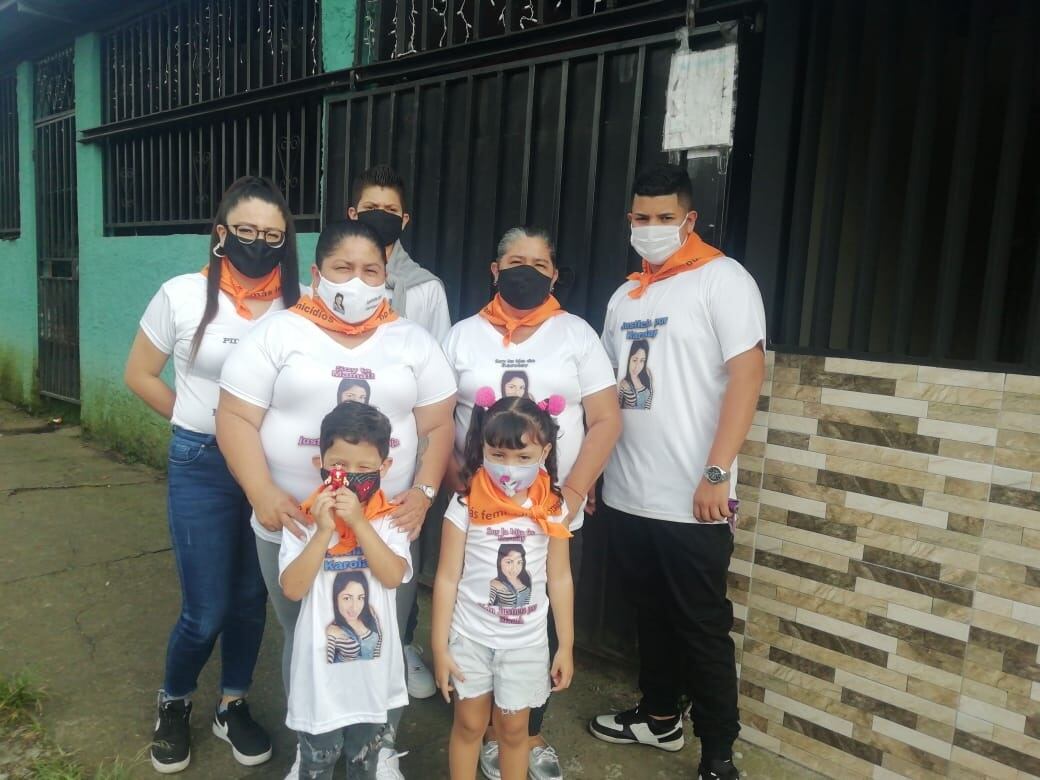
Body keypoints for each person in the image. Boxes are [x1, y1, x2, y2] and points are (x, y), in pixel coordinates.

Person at [216, 219, 457, 779]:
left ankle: (378, 749)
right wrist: (261, 491)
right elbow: (234, 416)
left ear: (386, 276)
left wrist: (423, 492)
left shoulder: (411, 340)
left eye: (370, 269)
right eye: (343, 268)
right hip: (295, 530)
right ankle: (314, 745)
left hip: (384, 529)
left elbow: (440, 425)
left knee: (382, 639)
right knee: (306, 637)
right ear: (317, 271)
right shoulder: (279, 333)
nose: (356, 280)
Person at [587, 164, 766, 780]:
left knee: (701, 626)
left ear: (689, 220)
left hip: (695, 498)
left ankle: (719, 753)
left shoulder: (723, 280)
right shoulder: (625, 294)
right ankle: (660, 717)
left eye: (665, 218)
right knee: (649, 614)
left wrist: (718, 472)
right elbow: (607, 394)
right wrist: (590, 476)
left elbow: (747, 376)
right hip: (629, 491)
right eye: (642, 217)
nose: (652, 228)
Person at [125, 176, 302, 774]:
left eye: (273, 235)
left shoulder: (298, 303)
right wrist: (198, 419)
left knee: (251, 599)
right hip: (201, 463)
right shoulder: (181, 294)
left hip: (274, 468)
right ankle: (173, 702)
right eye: (247, 231)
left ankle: (232, 703)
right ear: (221, 233)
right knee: (205, 607)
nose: (259, 243)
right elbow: (141, 374)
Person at [443, 226, 620, 780]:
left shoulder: (577, 335)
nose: (528, 271)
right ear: (494, 271)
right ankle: (480, 725)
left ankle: (524, 732)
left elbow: (606, 419)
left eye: (539, 264)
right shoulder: (462, 336)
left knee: (533, 612)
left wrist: (570, 494)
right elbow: (435, 419)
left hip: (548, 511)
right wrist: (460, 483)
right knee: (479, 603)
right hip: (478, 508)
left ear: (555, 275)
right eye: (515, 261)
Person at [349, 163, 452, 701]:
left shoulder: (426, 289)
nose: (380, 218)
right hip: (346, 451)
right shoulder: (326, 281)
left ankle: (402, 644)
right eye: (370, 208)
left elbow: (435, 384)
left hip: (404, 456)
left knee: (404, 553)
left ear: (405, 219)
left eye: (390, 210)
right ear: (352, 213)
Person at [432, 396, 575, 780]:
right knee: (468, 726)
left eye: (523, 457)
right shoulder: (464, 505)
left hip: (526, 645)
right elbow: (447, 578)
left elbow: (560, 578)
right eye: (498, 454)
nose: (509, 468)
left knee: (515, 731)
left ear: (545, 451)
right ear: (482, 449)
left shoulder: (552, 507)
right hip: (470, 640)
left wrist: (565, 644)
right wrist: (439, 646)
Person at [280, 401, 411, 779]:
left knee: (363, 763)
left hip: (372, 683)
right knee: (317, 763)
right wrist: (324, 531)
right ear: (319, 465)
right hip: (319, 685)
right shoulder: (304, 522)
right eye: (338, 467)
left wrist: (359, 523)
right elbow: (292, 587)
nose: (350, 478)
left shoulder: (390, 522)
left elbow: (391, 576)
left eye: (365, 468)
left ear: (385, 468)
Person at [618, 339, 653, 410]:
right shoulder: (624, 383)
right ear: (629, 359)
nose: (637, 366)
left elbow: (650, 395)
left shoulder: (647, 373)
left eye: (642, 361)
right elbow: (617, 407)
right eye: (634, 360)